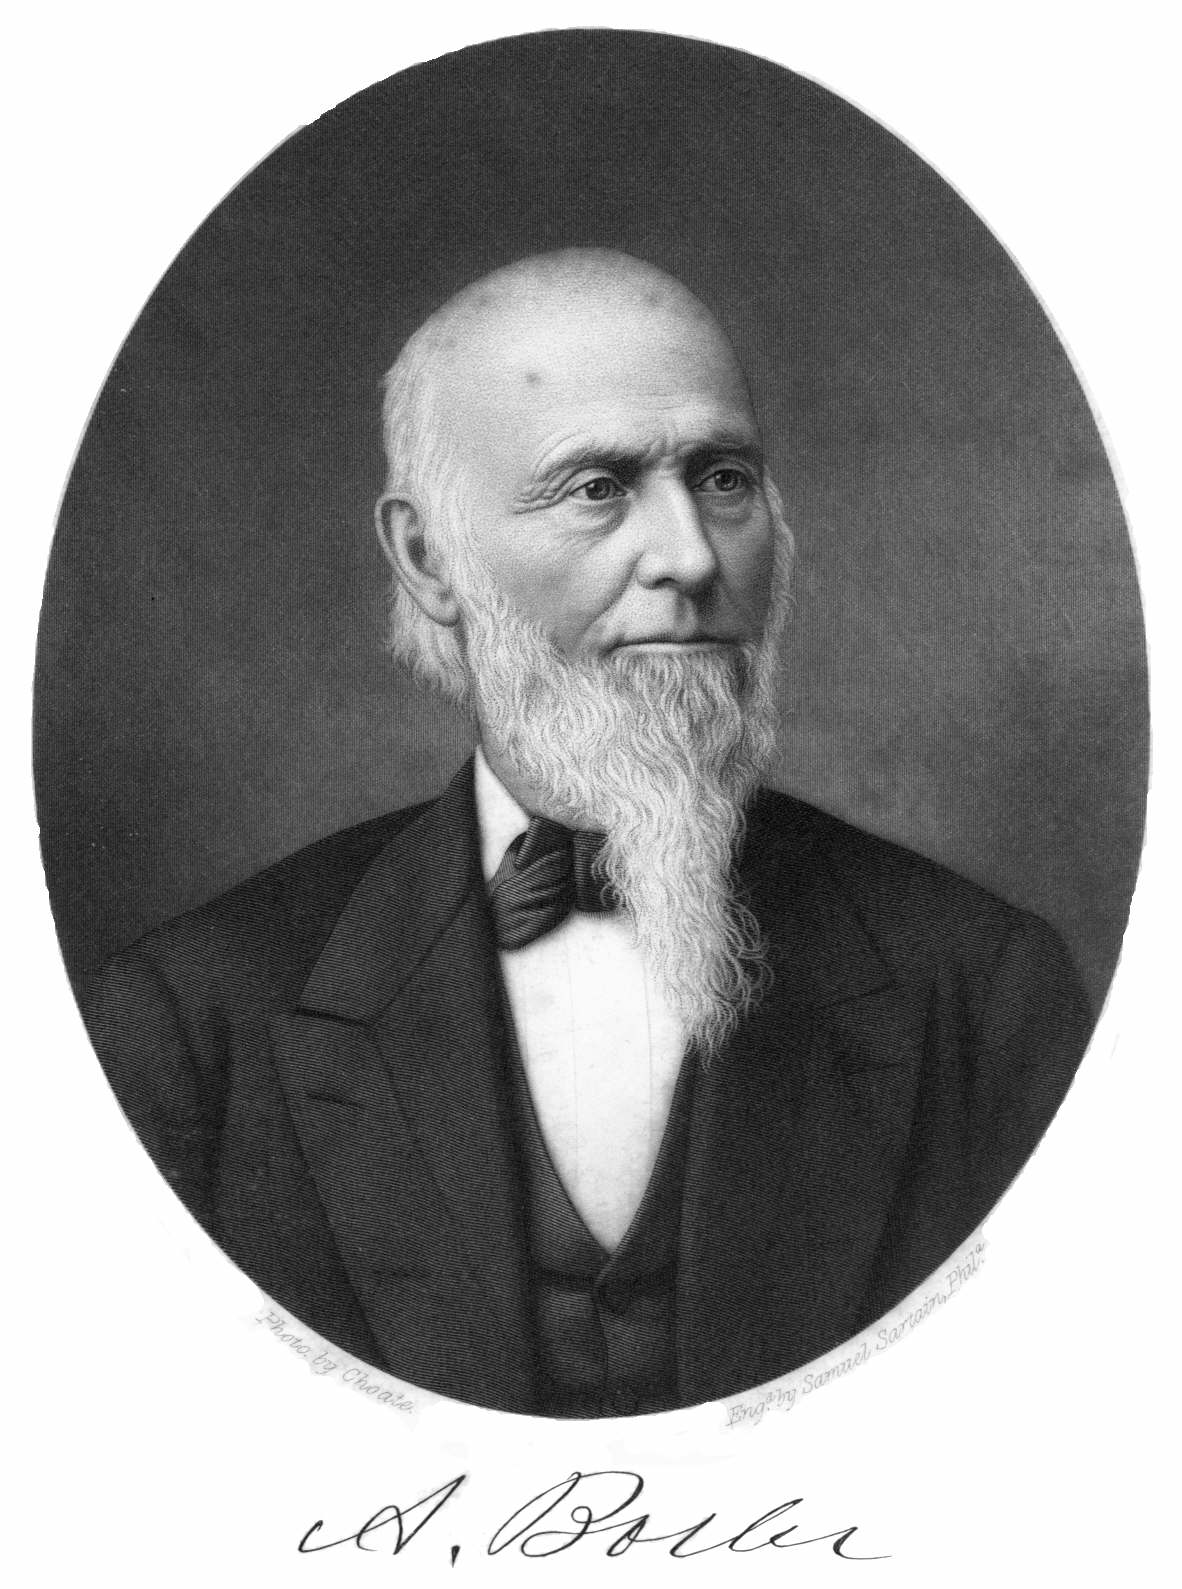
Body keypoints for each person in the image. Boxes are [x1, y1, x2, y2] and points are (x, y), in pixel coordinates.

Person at [84, 248, 1092, 1418]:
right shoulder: (195, 1018)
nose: (691, 556)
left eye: (723, 478)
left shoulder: (985, 992)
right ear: (428, 557)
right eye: (597, 488)